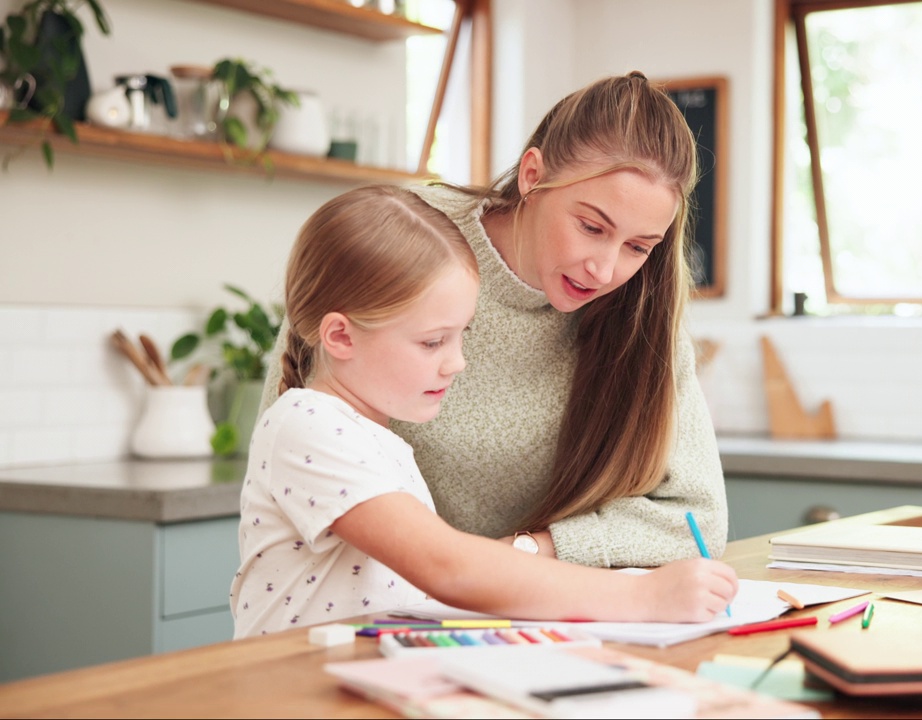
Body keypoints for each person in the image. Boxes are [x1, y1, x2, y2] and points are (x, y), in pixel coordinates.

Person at [260, 71, 726, 568]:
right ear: (532, 176)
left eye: (638, 247)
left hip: (506, 613)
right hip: (361, 608)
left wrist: (529, 551)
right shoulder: (411, 239)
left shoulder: (642, 307)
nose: (606, 269)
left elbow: (698, 519)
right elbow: (296, 445)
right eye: (591, 227)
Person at [230, 185, 737, 637]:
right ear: (340, 336)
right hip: (288, 690)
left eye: (460, 335)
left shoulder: (373, 439)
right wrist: (644, 598)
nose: (456, 363)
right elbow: (446, 566)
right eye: (432, 342)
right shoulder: (308, 426)